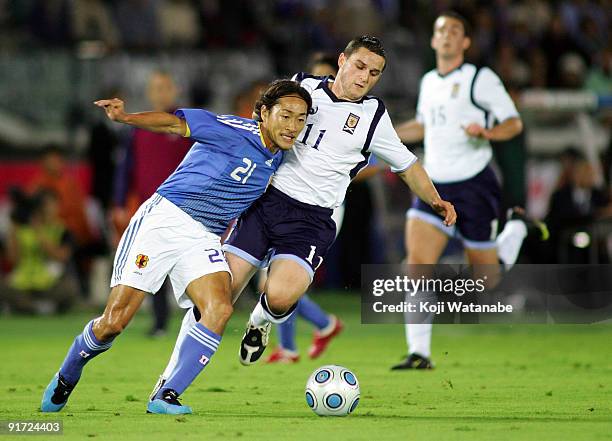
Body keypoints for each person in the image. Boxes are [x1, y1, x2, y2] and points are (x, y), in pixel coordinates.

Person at [153, 36, 456, 388]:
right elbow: (261, 118)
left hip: (311, 222)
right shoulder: (303, 88)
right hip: (266, 205)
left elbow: (407, 165)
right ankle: (168, 383)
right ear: (342, 60)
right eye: (360, 66)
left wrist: (436, 199)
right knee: (214, 298)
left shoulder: (374, 118)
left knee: (280, 297)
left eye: (374, 73)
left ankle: (261, 321)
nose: (364, 78)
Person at [40, 79, 312, 415]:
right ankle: (68, 374)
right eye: (286, 116)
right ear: (265, 113)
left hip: (204, 236)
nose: (293, 127)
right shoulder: (232, 129)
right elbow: (174, 123)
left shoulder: (282, 158)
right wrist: (126, 118)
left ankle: (166, 395)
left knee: (220, 309)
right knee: (114, 322)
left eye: (301, 119)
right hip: (165, 220)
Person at [392, 11, 541, 370]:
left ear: (465, 42)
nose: (446, 35)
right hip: (434, 185)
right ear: (432, 40)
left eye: (454, 30)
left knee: (485, 281)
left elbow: (513, 123)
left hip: (475, 185)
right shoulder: (429, 81)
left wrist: (487, 133)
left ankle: (516, 229)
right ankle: (419, 354)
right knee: (416, 265)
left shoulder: (480, 78)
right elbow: (424, 125)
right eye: (440, 29)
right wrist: (388, 136)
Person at [111, 70, 193, 337]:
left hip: (186, 208)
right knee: (151, 263)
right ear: (149, 93)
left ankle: (201, 317)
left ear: (174, 90)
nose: (160, 92)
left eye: (165, 87)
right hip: (151, 209)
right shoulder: (139, 128)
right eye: (155, 88)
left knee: (188, 264)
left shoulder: (184, 124)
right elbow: (126, 168)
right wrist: (120, 201)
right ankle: (159, 322)